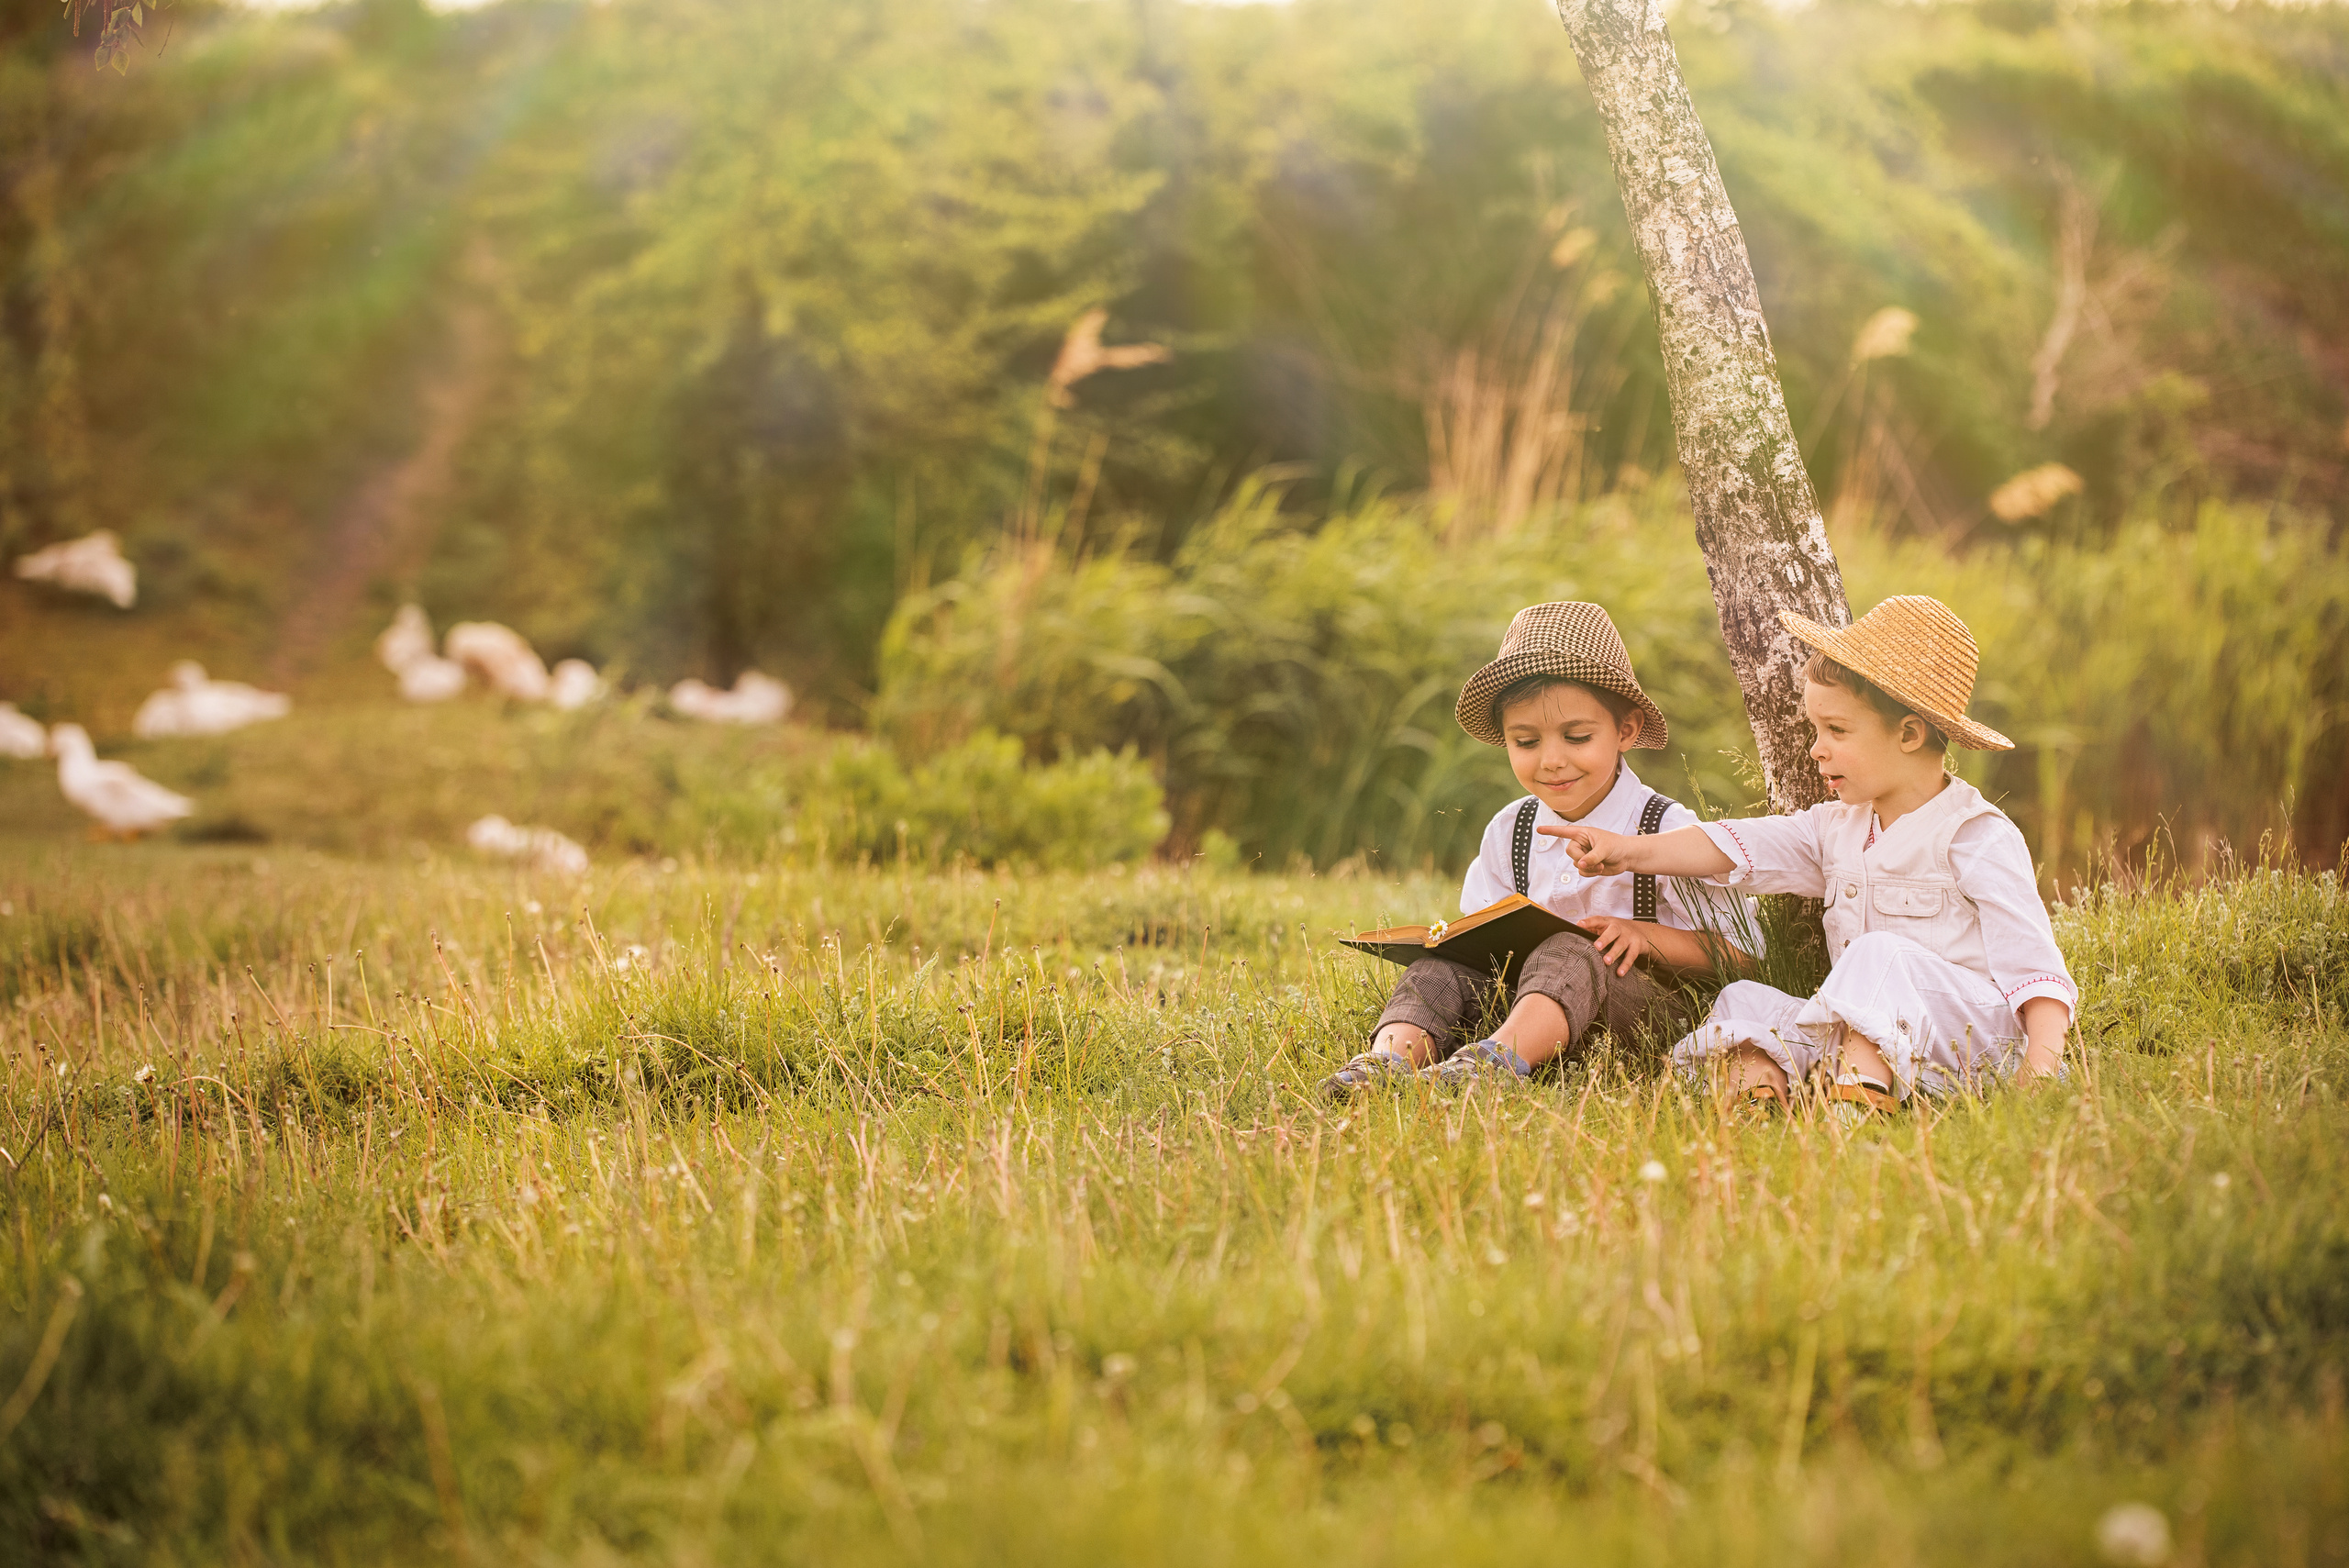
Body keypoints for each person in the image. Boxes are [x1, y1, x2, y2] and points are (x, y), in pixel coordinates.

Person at [1545, 595, 2076, 1116]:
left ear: (1910, 734)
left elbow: (2037, 971)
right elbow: (1736, 843)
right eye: (1816, 729)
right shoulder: (1837, 828)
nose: (1816, 749)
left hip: (1972, 1045)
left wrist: (2039, 1071)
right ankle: (1759, 1105)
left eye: (1837, 731)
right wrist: (1628, 851)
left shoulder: (1975, 836)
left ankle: (1854, 1116)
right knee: (1743, 1000)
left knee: (1878, 954)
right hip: (1866, 1037)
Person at [1320, 602, 1757, 1096]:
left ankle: (1491, 1068)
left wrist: (1644, 936)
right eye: (1526, 742)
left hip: (1642, 1017)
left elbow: (1741, 956)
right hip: (1528, 1009)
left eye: (1576, 737)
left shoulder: (1665, 830)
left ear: (1626, 730)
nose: (1552, 761)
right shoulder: (1513, 829)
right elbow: (1480, 942)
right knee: (1437, 969)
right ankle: (1386, 1063)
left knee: (1572, 951)